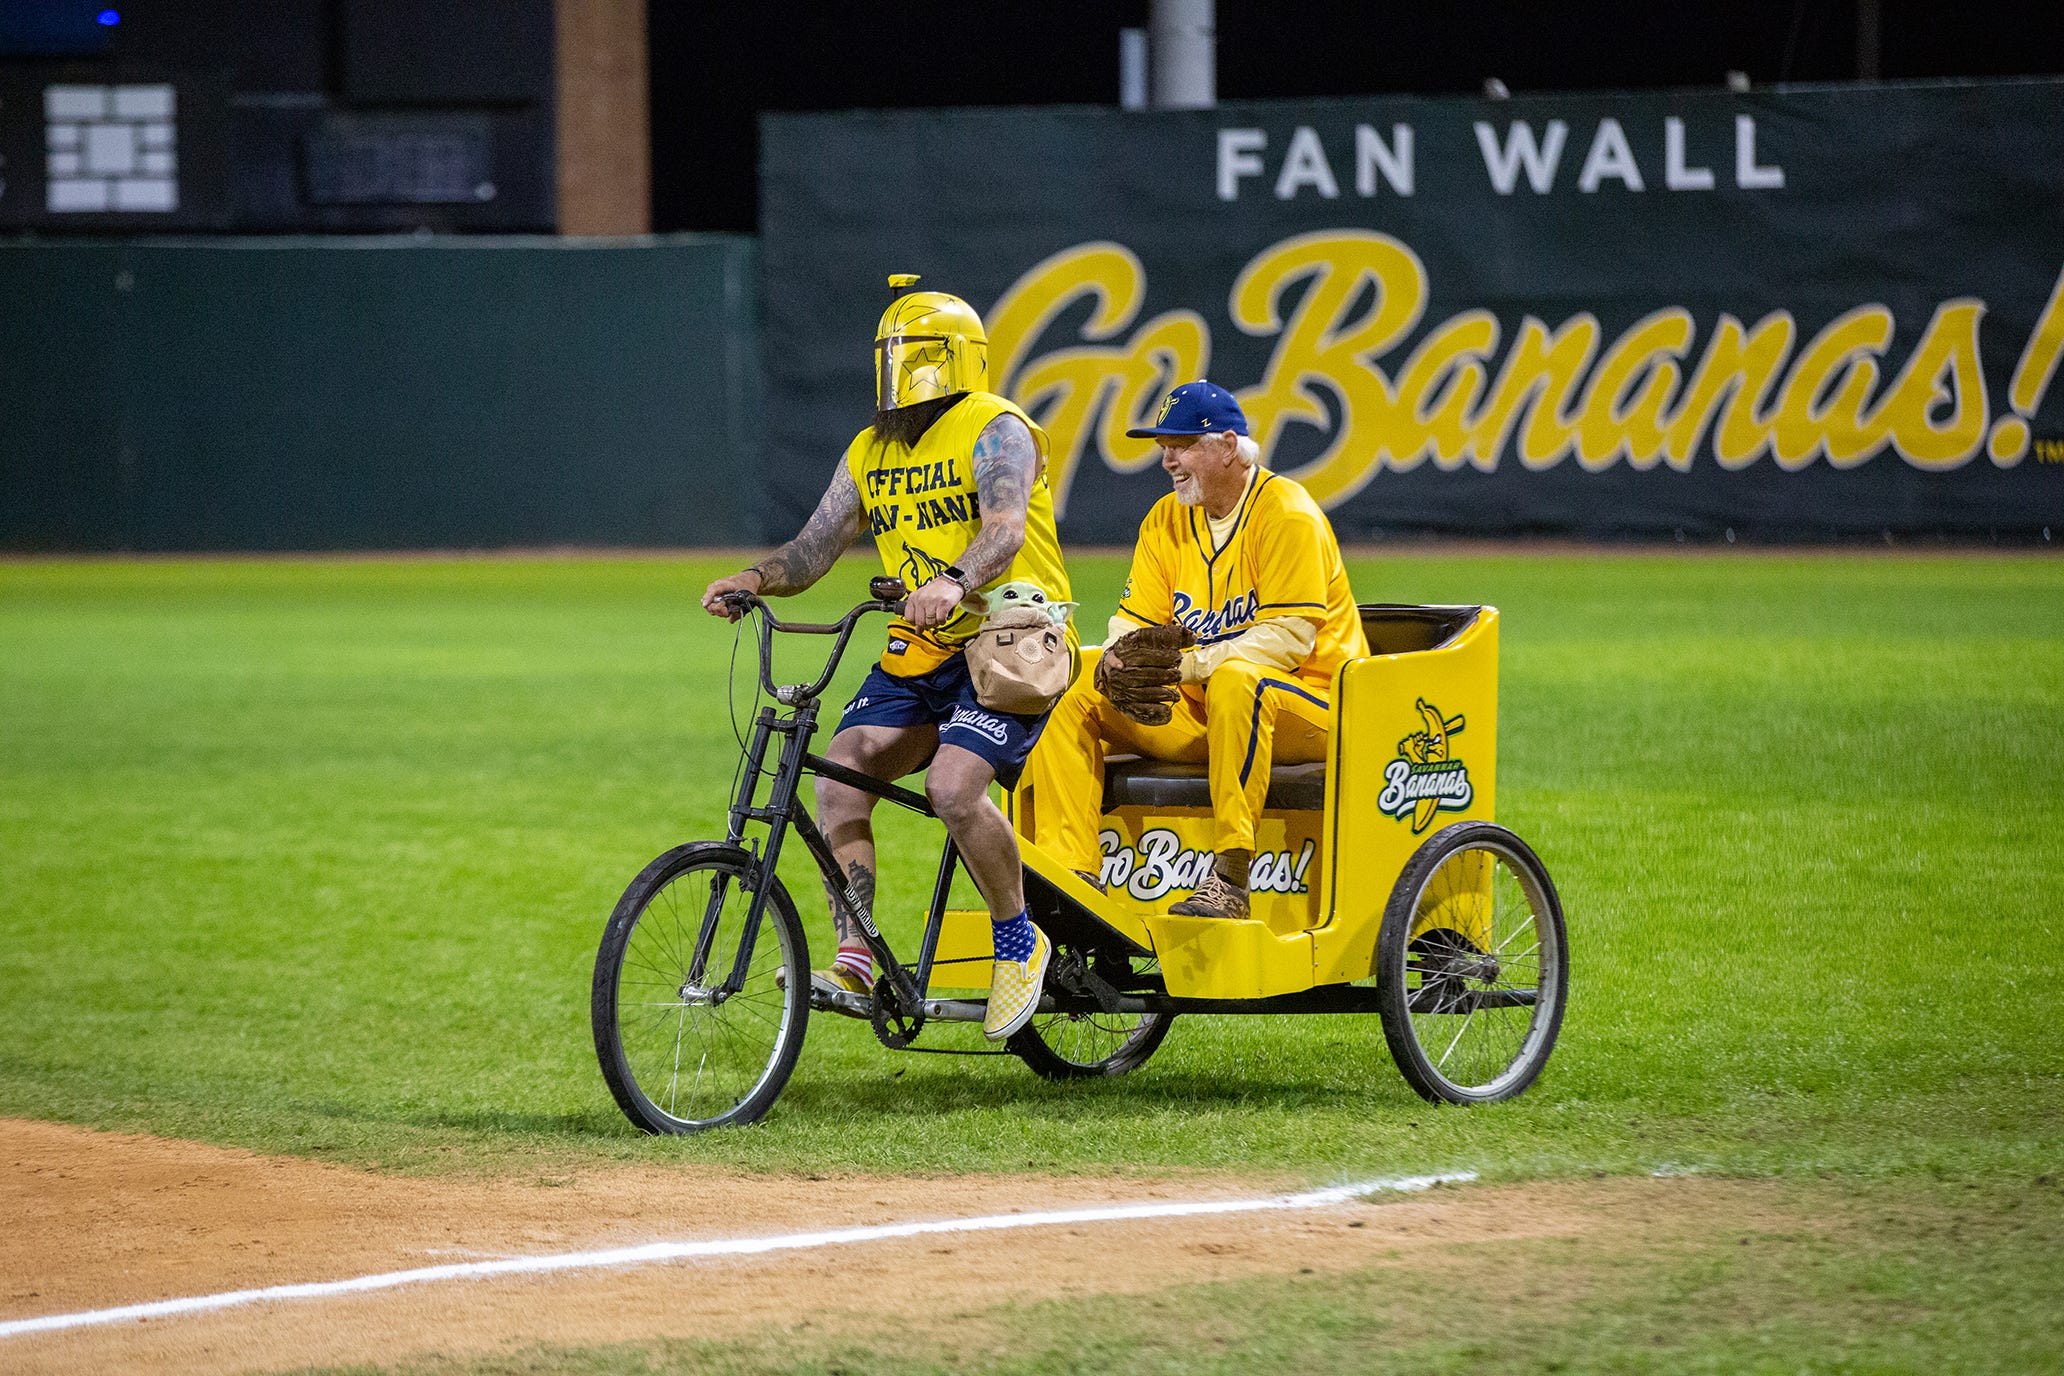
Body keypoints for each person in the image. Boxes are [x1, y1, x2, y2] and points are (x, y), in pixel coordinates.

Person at [701, 277, 1074, 1040]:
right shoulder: (871, 448)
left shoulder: (994, 427)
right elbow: (815, 548)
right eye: (892, 356)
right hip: (921, 648)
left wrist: (953, 580)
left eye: (916, 356)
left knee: (954, 789)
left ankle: (1017, 940)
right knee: (841, 777)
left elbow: (1003, 528)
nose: (899, 372)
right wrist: (753, 578)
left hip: (1007, 643)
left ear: (957, 359)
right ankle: (855, 956)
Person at [1025, 381, 1369, 919]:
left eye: (1182, 444)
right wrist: (1119, 659)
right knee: (1078, 676)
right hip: (1214, 715)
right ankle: (1071, 878)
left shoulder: (1286, 512)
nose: (1167, 460)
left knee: (1238, 679)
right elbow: (1131, 622)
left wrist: (1185, 665)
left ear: (1228, 446)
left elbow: (1287, 640)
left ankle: (1231, 877)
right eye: (1164, 447)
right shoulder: (1166, 519)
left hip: (1318, 707)